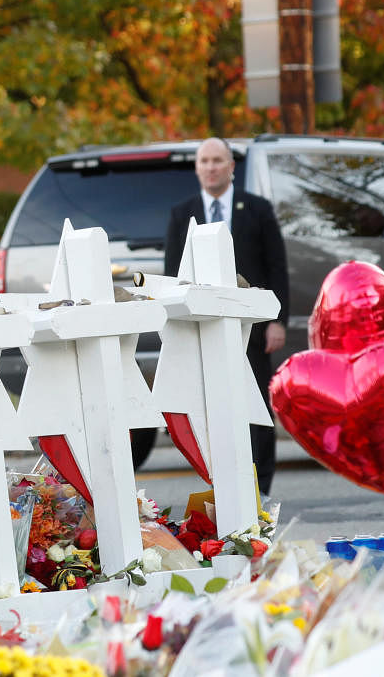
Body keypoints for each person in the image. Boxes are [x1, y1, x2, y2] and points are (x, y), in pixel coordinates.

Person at [163, 137, 289, 496]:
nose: (211, 167)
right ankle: (222, 481)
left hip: (253, 327)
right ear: (197, 167)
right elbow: (174, 274)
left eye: (218, 160)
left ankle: (260, 485)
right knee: (212, 404)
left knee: (256, 404)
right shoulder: (181, 213)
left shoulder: (258, 209)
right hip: (205, 328)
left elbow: (276, 266)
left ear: (232, 166)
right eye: (204, 160)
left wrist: (278, 320)